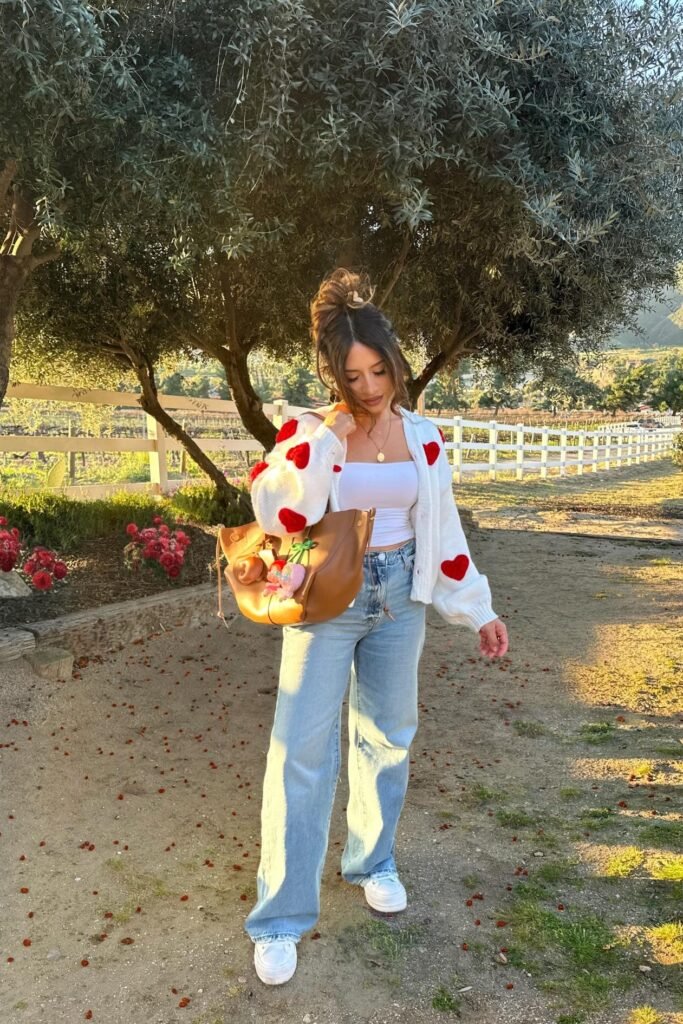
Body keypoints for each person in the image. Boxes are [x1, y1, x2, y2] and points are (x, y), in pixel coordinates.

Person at [244, 268, 509, 985]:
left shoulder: (423, 436)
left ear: (395, 363)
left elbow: (442, 531)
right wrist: (321, 444)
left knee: (388, 736)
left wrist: (477, 609)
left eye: (377, 372)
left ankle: (372, 860)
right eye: (352, 376)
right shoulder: (310, 430)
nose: (367, 388)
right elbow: (276, 511)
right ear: (334, 374)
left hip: (400, 597)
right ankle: (280, 917)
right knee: (300, 751)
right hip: (328, 598)